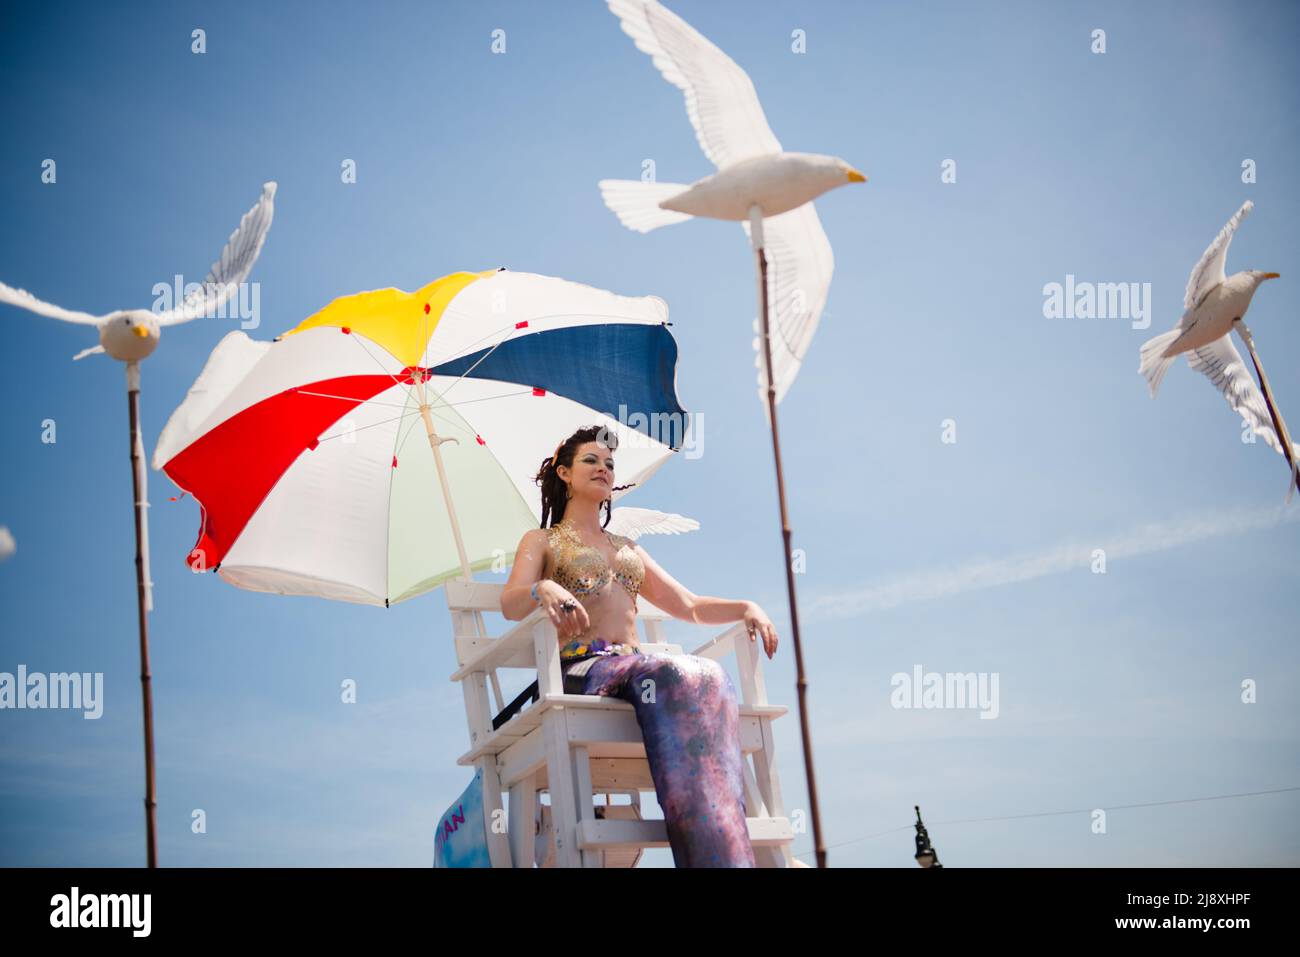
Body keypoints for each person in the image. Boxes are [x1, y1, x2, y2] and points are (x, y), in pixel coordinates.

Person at [500, 425, 779, 867]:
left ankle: (723, 846)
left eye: (610, 464)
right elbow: (510, 602)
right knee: (672, 672)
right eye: (591, 461)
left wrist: (747, 606)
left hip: (635, 671)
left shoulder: (627, 548)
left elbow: (688, 605)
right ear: (565, 473)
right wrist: (543, 590)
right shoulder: (542, 541)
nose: (603, 469)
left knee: (710, 674)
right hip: (581, 670)